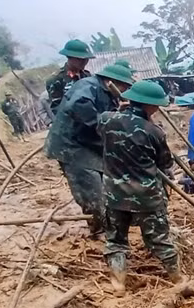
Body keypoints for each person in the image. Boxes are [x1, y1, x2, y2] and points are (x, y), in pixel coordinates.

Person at [98, 80, 182, 296]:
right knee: (159, 239)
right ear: (150, 106)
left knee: (116, 240)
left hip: (114, 194)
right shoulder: (154, 131)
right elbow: (165, 163)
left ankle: (118, 283)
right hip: (147, 196)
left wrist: (120, 111)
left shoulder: (107, 120)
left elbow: (102, 131)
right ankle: (177, 278)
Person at [44, 64, 134, 237]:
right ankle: (102, 231)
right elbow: (82, 110)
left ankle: (105, 223)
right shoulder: (88, 86)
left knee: (106, 183)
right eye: (125, 86)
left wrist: (116, 112)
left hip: (89, 144)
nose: (125, 90)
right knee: (91, 189)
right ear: (111, 81)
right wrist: (110, 118)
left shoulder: (107, 92)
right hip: (71, 146)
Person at [46, 39, 95, 115]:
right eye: (80, 59)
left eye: (86, 59)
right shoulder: (56, 79)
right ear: (69, 57)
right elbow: (56, 107)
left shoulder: (88, 76)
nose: (84, 62)